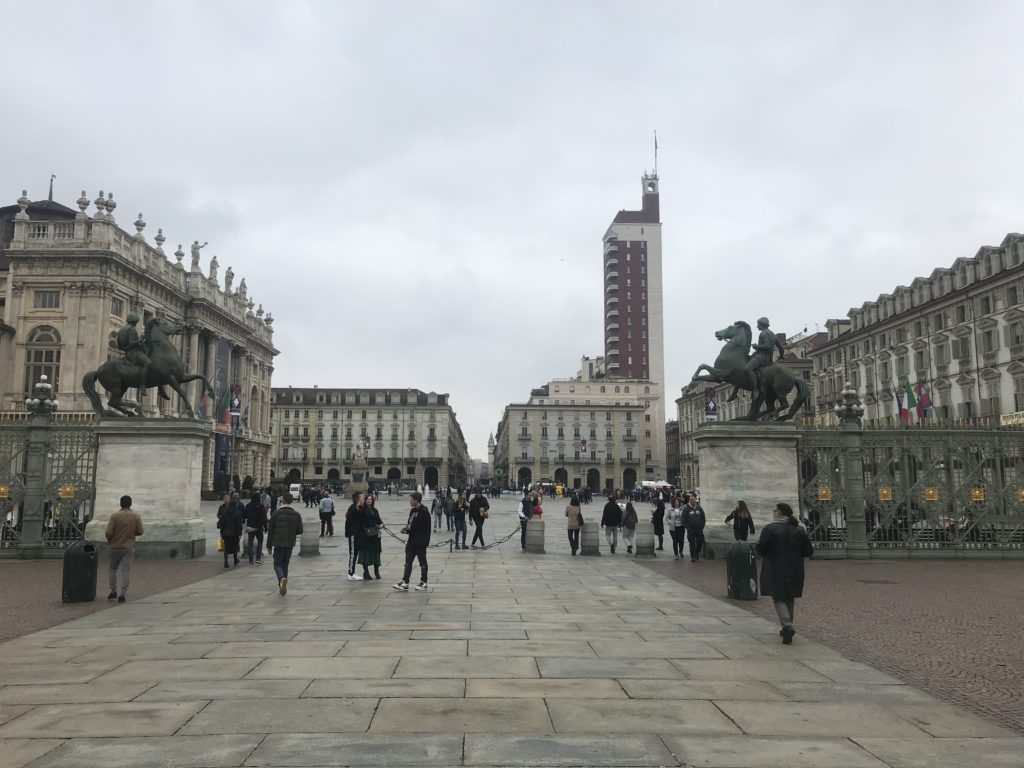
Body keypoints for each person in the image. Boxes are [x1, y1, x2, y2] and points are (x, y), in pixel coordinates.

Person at [756, 502, 813, 644]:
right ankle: (787, 627)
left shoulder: (770, 529)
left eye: (774, 510)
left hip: (775, 567)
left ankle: (787, 625)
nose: (773, 513)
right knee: (790, 596)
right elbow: (808, 550)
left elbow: (761, 549)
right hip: (795, 568)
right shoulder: (799, 529)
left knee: (778, 596)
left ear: (779, 513)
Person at [105, 494, 143, 603]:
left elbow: (108, 532)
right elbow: (140, 531)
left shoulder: (115, 515)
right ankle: (122, 594)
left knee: (113, 568)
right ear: (130, 504)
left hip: (115, 546)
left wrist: (110, 540)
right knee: (125, 570)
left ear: (120, 504)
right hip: (129, 546)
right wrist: (132, 534)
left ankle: (113, 591)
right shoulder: (135, 516)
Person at [267, 492, 303, 596]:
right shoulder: (296, 514)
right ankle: (282, 585)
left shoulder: (276, 513)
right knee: (285, 564)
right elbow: (300, 530)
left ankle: (281, 579)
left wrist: (269, 546)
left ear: (283, 500)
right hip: (290, 542)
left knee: (277, 564)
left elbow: (270, 531)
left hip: (278, 543)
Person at [394, 491, 431, 591]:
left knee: (422, 562)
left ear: (416, 500)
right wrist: (406, 529)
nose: (409, 501)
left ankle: (423, 582)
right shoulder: (412, 511)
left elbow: (424, 527)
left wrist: (410, 529)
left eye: (411, 500)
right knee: (408, 562)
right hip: (412, 541)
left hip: (421, 542)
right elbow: (410, 524)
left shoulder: (424, 512)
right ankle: (405, 582)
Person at [745, 316, 786, 399]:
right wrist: (781, 356)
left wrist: (756, 346)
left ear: (762, 324)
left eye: (758, 324)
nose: (757, 326)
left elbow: (767, 346)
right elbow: (781, 348)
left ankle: (755, 389)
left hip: (761, 358)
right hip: (769, 359)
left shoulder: (763, 334)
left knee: (747, 368)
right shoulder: (773, 335)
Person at [116, 312, 152, 397]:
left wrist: (126, 348)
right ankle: (142, 386)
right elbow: (132, 343)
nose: (136, 324)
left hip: (127, 354)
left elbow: (119, 346)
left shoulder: (121, 330)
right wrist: (140, 341)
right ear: (134, 321)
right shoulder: (132, 329)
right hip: (134, 353)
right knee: (148, 363)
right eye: (136, 322)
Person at [357, 494, 384, 580]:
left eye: (370, 499)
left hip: (375, 534)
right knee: (365, 553)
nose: (369, 500)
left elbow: (379, 520)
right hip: (365, 534)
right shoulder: (362, 510)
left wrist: (381, 524)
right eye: (367, 499)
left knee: (376, 552)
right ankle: (366, 572)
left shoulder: (375, 510)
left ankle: (376, 571)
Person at [217, 493, 244, 568]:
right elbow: (238, 525)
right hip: (234, 533)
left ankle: (226, 562)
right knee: (234, 546)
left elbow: (222, 523)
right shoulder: (237, 513)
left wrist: (222, 532)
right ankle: (235, 560)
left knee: (226, 547)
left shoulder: (225, 513)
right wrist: (240, 533)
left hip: (225, 532)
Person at [344, 492, 364, 581]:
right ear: (357, 499)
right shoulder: (352, 508)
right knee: (353, 554)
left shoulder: (360, 507)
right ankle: (350, 573)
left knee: (355, 554)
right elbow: (348, 521)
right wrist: (348, 533)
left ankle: (353, 572)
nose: (363, 499)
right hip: (353, 534)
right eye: (362, 497)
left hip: (358, 534)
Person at [244, 493, 268, 565]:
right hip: (259, 527)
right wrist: (266, 527)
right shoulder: (261, 506)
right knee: (260, 542)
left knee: (250, 543)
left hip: (250, 527)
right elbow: (264, 518)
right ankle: (258, 558)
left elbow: (244, 516)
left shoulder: (248, 505)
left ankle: (251, 560)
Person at [682, 493, 707, 562]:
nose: (692, 501)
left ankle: (696, 552)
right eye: (691, 500)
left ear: (695, 500)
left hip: (699, 529)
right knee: (692, 543)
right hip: (691, 529)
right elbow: (683, 519)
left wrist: (702, 526)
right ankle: (693, 557)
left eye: (693, 500)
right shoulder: (686, 508)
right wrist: (687, 527)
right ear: (689, 500)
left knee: (700, 541)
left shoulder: (699, 508)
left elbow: (703, 517)